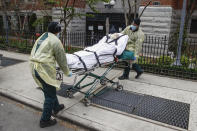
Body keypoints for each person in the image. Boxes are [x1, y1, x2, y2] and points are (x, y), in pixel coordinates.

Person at [29, 22, 72, 128]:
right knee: (50, 96)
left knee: (49, 89)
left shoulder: (43, 36)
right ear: (58, 31)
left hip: (34, 67)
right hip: (43, 69)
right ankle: (45, 120)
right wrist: (67, 71)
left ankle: (56, 107)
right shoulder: (56, 41)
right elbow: (61, 59)